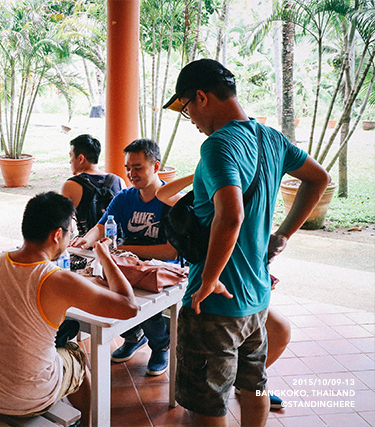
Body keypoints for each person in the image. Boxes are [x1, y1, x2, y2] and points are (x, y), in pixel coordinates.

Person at [162, 58, 330, 425]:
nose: (190, 118)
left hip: (216, 307)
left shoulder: (219, 145)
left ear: (202, 97)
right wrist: (282, 235)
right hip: (256, 301)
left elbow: (232, 214)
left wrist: (208, 279)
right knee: (253, 388)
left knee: (206, 407)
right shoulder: (271, 138)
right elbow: (318, 178)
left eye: (187, 107)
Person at [0, 192, 137, 425]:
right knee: (75, 353)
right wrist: (105, 257)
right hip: (27, 400)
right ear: (57, 235)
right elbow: (129, 307)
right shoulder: (57, 279)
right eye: (70, 234)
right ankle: (85, 422)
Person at [156, 173, 291, 410]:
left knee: (278, 331)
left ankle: (243, 384)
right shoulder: (202, 202)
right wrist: (200, 174)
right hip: (217, 297)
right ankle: (240, 386)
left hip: (246, 294)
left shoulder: (247, 209)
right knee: (211, 391)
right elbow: (163, 194)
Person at [70, 139, 178, 376]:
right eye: (128, 168)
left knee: (140, 301)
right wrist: (85, 241)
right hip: (128, 264)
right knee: (105, 295)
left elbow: (170, 252)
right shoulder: (125, 197)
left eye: (138, 168)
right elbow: (101, 226)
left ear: (156, 166)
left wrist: (126, 249)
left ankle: (161, 345)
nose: (131, 174)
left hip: (159, 270)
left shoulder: (170, 202)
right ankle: (133, 336)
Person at [60, 134, 125, 235]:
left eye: (71, 156)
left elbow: (64, 224)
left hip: (86, 246)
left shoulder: (70, 186)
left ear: (81, 158)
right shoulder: (119, 181)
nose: (70, 161)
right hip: (117, 245)